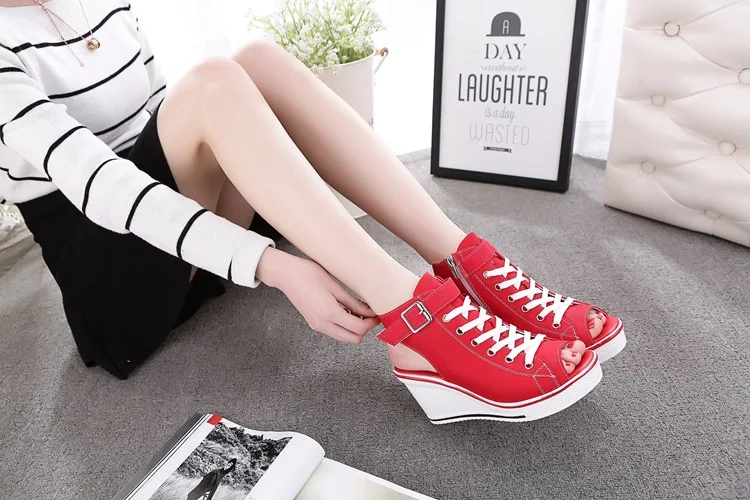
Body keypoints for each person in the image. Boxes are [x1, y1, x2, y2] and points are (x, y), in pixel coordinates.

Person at [0, 0, 626, 422]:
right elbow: (104, 189)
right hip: (110, 275)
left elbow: (161, 126)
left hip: (184, 240)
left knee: (254, 61)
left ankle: (467, 265)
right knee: (214, 80)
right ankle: (416, 320)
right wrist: (272, 265)